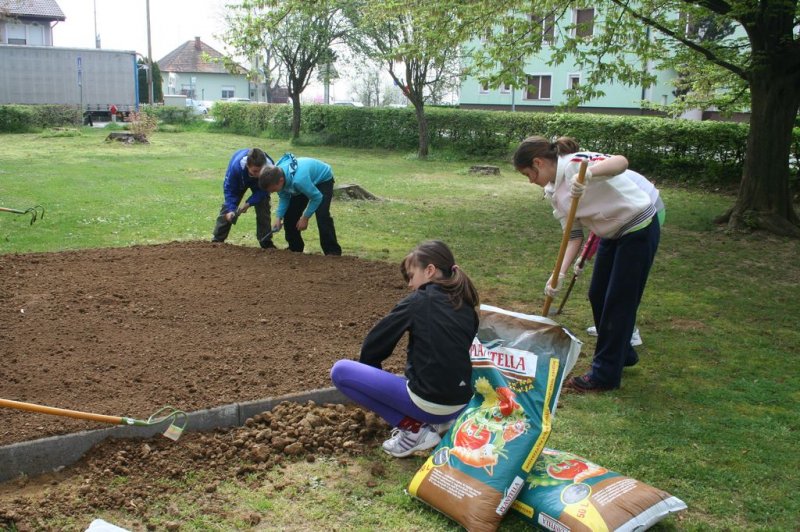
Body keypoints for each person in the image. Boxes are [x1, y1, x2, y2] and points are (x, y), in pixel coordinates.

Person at [513, 136, 660, 393]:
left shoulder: (574, 164)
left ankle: (604, 376)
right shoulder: (552, 192)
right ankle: (623, 352)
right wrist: (558, 274)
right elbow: (573, 235)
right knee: (597, 295)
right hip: (610, 234)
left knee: (618, 302)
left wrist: (589, 174)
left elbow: (621, 162)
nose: (530, 181)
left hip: (638, 227)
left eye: (528, 174)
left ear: (538, 162)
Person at [330, 240, 480, 457]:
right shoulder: (466, 304)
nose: (410, 284)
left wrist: (373, 379)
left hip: (430, 403)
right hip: (462, 401)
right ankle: (443, 423)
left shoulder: (419, 300)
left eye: (411, 276)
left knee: (341, 371)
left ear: (429, 270)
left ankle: (414, 430)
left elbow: (374, 344)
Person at [581, 171, 666, 347]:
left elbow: (598, 231)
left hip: (649, 213)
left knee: (622, 289)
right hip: (625, 216)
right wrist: (584, 258)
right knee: (602, 289)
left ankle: (630, 333)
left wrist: (584, 257)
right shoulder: (583, 179)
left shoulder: (589, 178)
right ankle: (608, 328)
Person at [258, 153, 341, 256]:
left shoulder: (299, 180)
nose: (273, 192)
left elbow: (316, 197)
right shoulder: (278, 176)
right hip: (302, 182)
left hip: (322, 180)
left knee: (322, 214)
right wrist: (278, 218)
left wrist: (305, 217)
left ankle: (332, 251)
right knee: (290, 215)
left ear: (281, 181)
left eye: (274, 189)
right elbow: (284, 197)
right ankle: (295, 248)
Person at [211, 148, 276, 249]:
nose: (258, 174)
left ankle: (265, 241)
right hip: (241, 179)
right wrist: (231, 209)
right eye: (255, 171)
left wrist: (249, 203)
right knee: (228, 207)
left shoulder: (270, 168)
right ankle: (217, 239)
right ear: (247, 166)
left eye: (260, 170)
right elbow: (229, 190)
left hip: (260, 184)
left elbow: (264, 190)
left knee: (263, 205)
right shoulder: (236, 167)